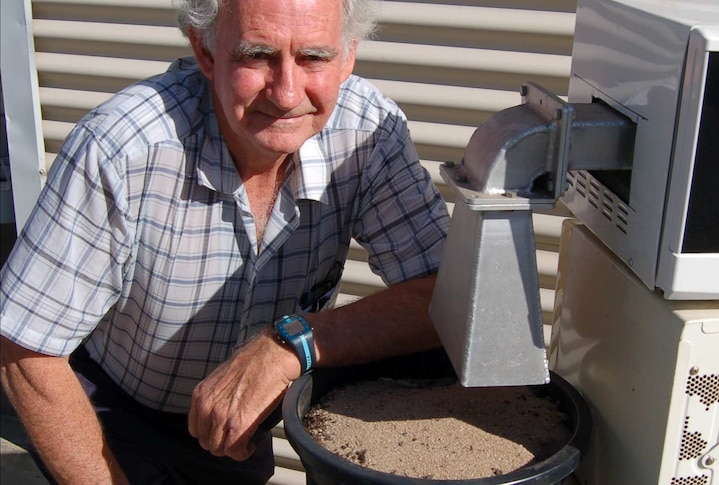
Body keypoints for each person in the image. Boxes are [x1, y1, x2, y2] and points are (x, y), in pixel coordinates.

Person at [0, 0, 450, 483]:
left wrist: (293, 344)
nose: (285, 93)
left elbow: (446, 297)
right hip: (110, 416)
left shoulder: (370, 135)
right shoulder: (121, 149)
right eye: (257, 55)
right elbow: (26, 349)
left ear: (348, 56)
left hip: (240, 426)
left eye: (314, 57)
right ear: (205, 51)